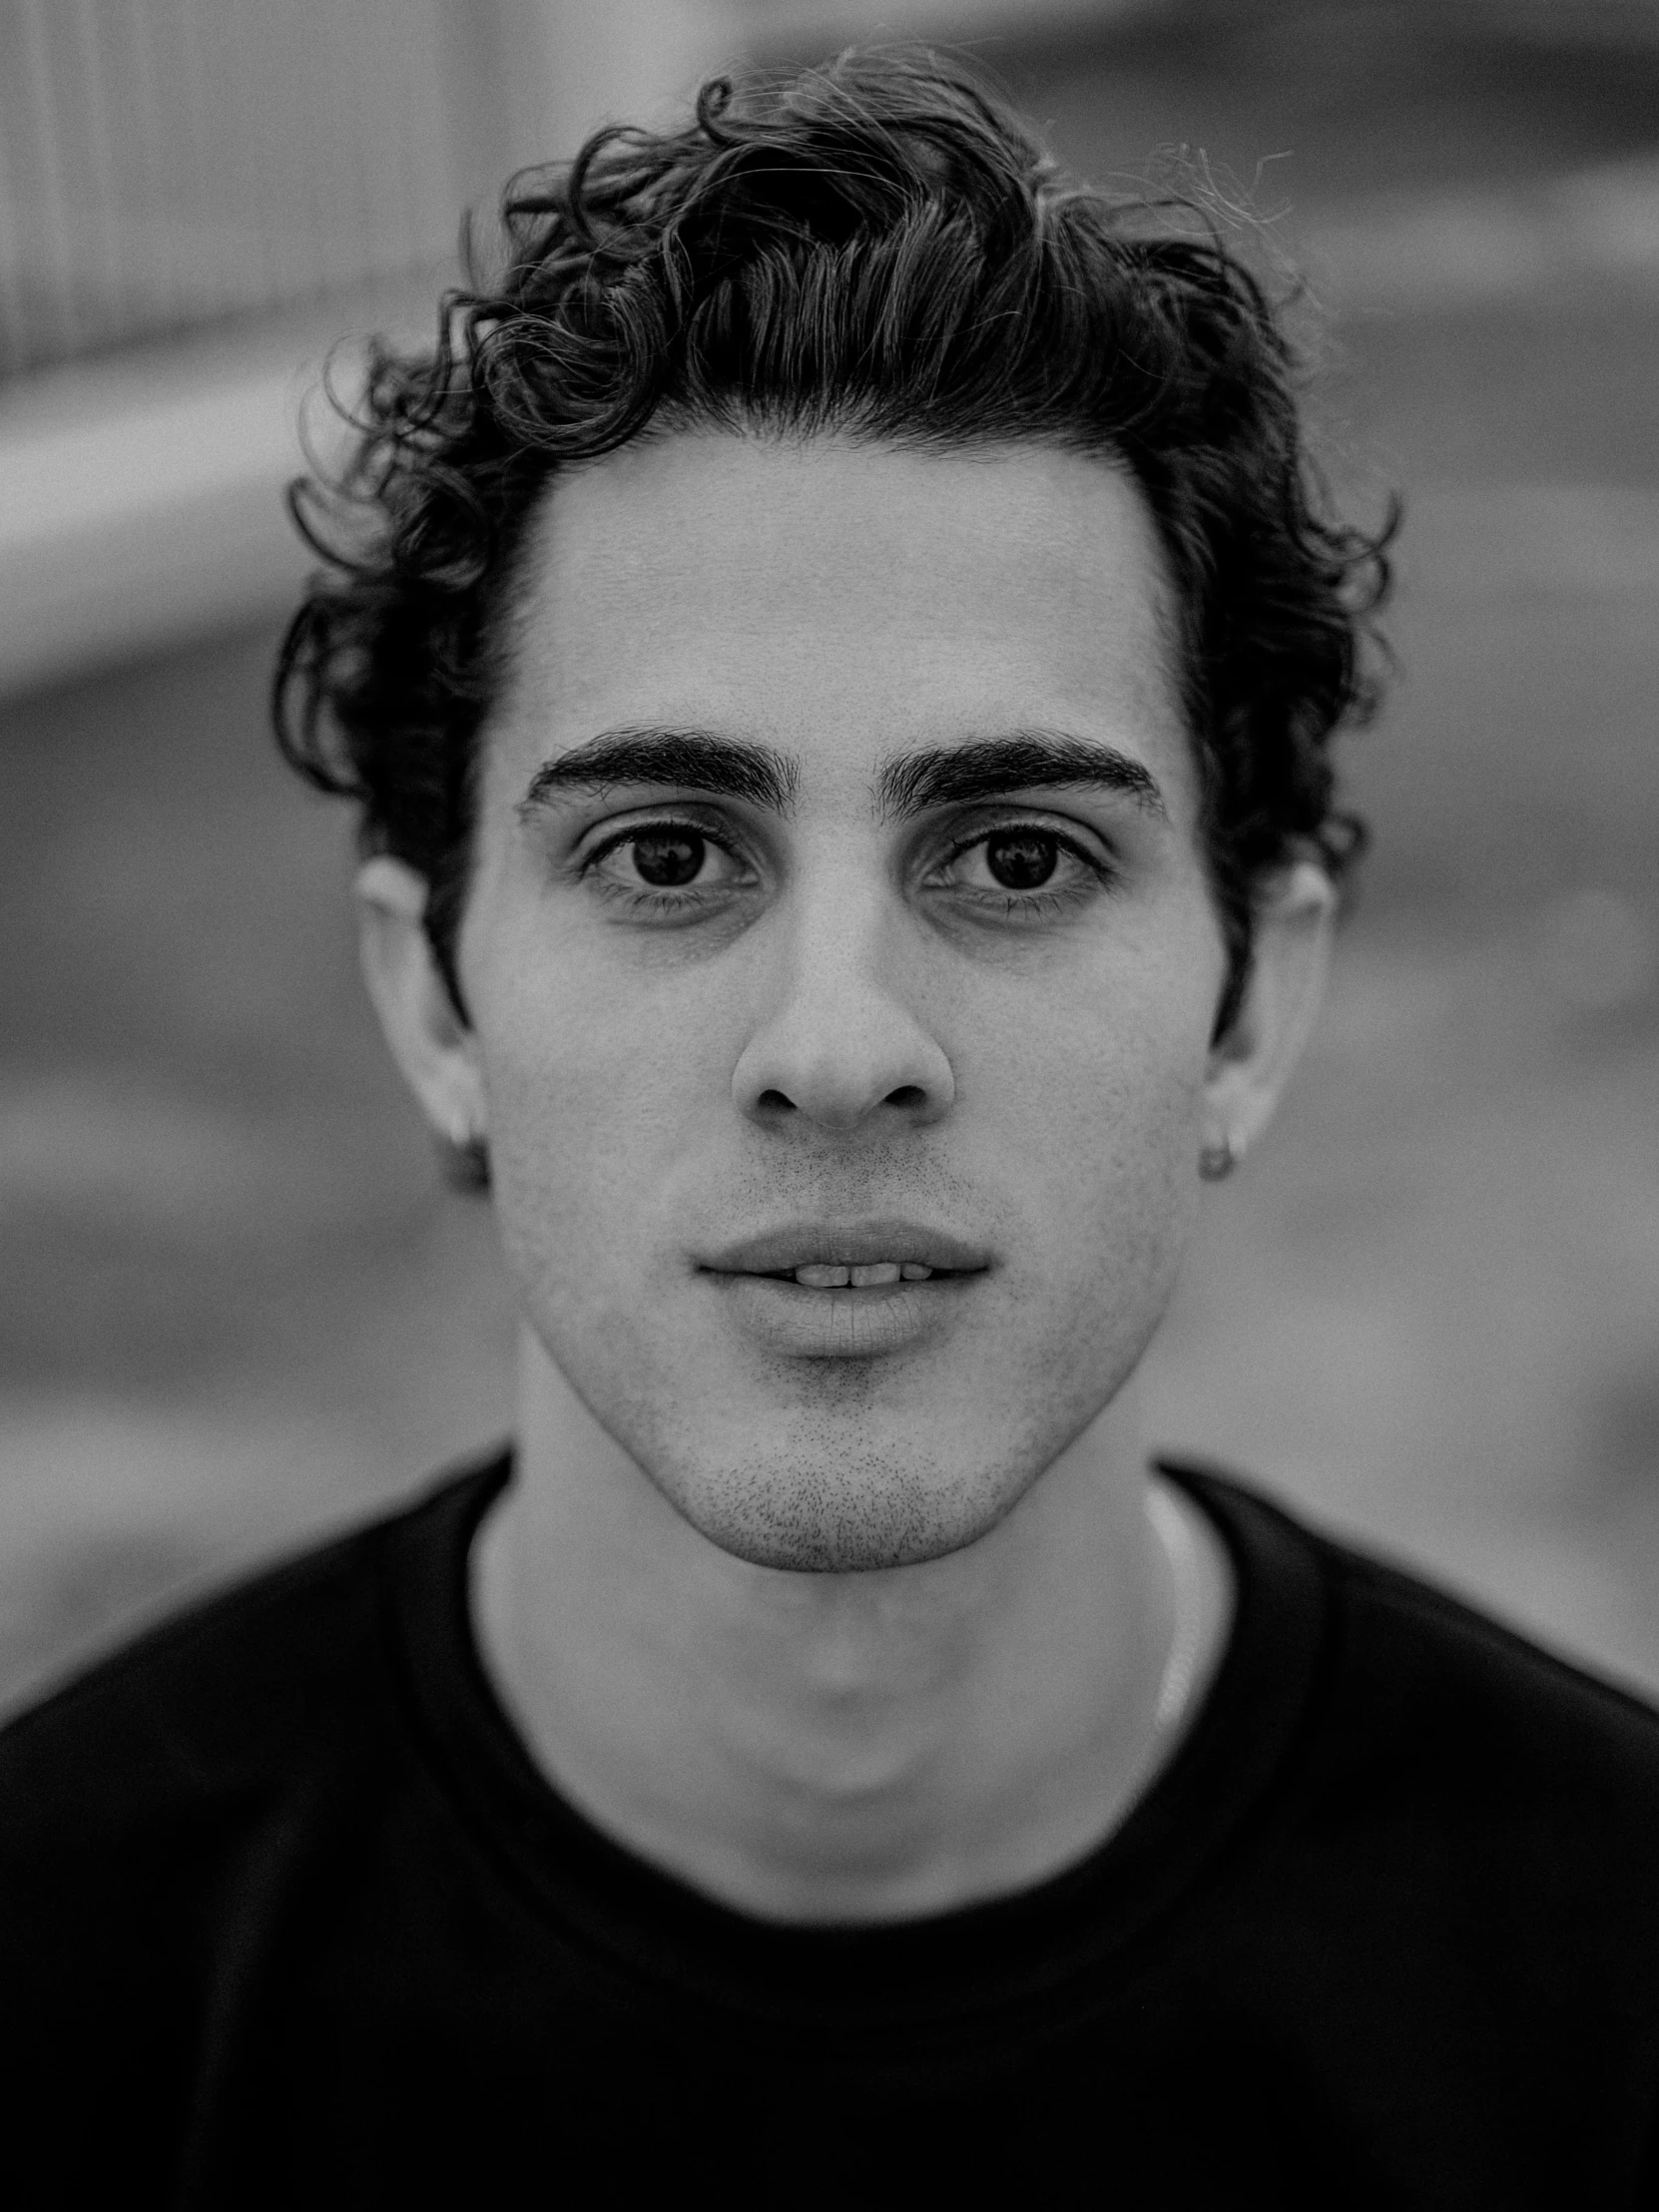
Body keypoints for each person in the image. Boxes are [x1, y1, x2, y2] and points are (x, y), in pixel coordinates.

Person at [4, 50, 1658, 2206]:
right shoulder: (55, 1995)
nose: (842, 1039)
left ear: (1256, 997)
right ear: (436, 996)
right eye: (673, 855)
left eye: (1022, 855)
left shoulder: (1611, 2000)